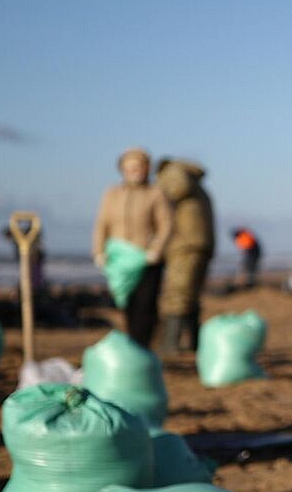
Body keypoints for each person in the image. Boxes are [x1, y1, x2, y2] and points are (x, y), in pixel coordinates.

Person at [92, 146, 171, 348]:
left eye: (139, 167)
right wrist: (99, 251)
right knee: (127, 306)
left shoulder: (155, 193)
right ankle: (133, 344)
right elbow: (102, 224)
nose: (134, 171)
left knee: (145, 306)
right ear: (122, 169)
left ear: (146, 169)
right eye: (130, 167)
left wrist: (156, 250)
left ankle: (142, 346)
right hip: (119, 259)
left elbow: (166, 225)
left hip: (147, 260)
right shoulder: (112, 194)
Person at [155, 157, 215, 354]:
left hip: (184, 245)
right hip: (200, 244)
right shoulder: (198, 186)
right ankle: (194, 343)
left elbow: (176, 188)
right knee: (190, 295)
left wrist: (156, 194)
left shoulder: (173, 173)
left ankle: (171, 344)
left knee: (177, 294)